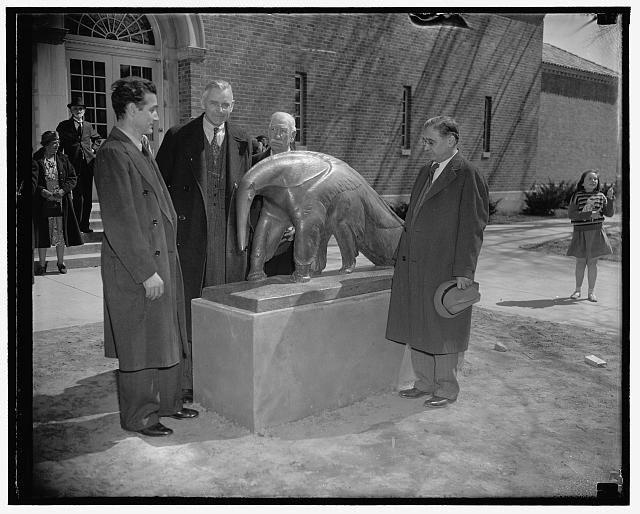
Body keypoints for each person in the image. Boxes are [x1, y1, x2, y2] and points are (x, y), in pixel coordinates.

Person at [94, 76, 197, 437]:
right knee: (139, 341)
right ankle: (139, 415)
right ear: (132, 110)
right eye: (151, 110)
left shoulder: (140, 147)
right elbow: (120, 221)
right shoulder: (112, 153)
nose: (156, 117)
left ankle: (167, 403)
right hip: (137, 268)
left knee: (165, 333)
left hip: (161, 261)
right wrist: (145, 272)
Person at [156, 79, 254, 404]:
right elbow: (159, 188)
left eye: (227, 105)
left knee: (224, 308)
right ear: (203, 101)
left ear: (233, 104)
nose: (221, 111)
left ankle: (222, 376)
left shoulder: (243, 142)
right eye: (215, 104)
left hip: (226, 245)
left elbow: (252, 195)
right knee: (189, 309)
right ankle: (187, 381)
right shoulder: (178, 137)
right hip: (190, 240)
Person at [386, 115, 489, 408]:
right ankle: (424, 383)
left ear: (451, 141)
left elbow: (473, 226)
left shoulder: (468, 174)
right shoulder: (425, 172)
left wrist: (464, 270)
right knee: (418, 322)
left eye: (430, 141)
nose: (424, 147)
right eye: (423, 141)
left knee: (443, 325)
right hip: (415, 264)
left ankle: (446, 388)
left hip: (445, 266)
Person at [250, 112, 297, 276]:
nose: (276, 135)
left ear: (293, 135)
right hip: (257, 248)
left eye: (282, 131)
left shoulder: (305, 167)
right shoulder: (251, 163)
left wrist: (299, 227)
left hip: (291, 252)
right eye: (273, 129)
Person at [32, 131, 83, 275]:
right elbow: (33, 180)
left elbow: (72, 177)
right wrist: (43, 192)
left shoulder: (63, 158)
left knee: (60, 233)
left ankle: (61, 262)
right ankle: (42, 265)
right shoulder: (36, 159)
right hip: (43, 203)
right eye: (54, 143)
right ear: (47, 144)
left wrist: (63, 191)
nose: (57, 145)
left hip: (61, 202)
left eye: (58, 142)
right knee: (43, 234)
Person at [567, 169, 615, 302]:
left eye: (595, 179)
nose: (593, 181)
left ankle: (591, 292)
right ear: (582, 183)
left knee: (593, 262)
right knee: (581, 262)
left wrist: (610, 198)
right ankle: (577, 291)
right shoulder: (576, 196)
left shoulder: (601, 196)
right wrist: (588, 214)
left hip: (596, 232)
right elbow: (571, 214)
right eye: (590, 178)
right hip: (580, 232)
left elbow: (609, 213)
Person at [56, 96, 102, 233]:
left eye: (81, 109)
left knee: (87, 196)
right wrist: (60, 162)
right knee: (77, 196)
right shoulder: (63, 126)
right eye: (75, 108)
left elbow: (97, 138)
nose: (78, 111)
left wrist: (93, 148)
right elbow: (59, 146)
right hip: (72, 165)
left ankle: (84, 225)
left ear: (84, 111)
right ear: (71, 110)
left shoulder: (88, 125)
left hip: (88, 164)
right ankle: (75, 227)